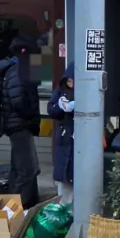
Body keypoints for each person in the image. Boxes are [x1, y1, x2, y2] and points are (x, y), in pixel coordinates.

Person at [0, 35, 42, 208]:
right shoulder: (18, 70)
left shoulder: (16, 69)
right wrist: (30, 116)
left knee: (19, 168)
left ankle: (20, 204)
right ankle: (15, 209)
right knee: (27, 169)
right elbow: (18, 100)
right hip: (20, 125)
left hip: (19, 124)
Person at [47, 62, 75, 205]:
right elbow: (51, 109)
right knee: (65, 180)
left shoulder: (86, 91)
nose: (71, 84)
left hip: (76, 137)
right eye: (69, 81)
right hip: (64, 138)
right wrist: (60, 106)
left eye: (73, 81)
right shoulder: (61, 90)